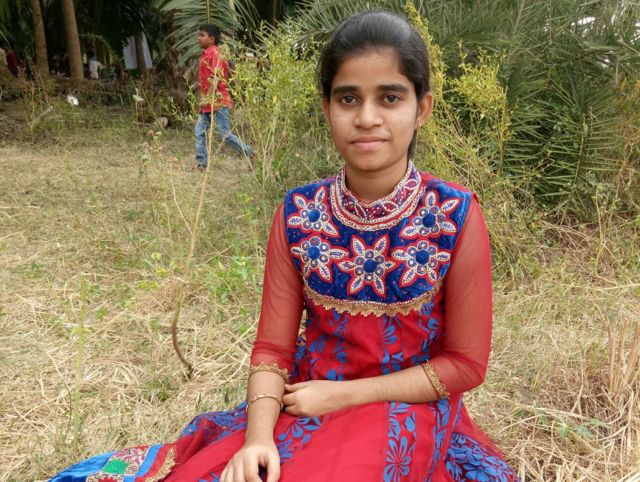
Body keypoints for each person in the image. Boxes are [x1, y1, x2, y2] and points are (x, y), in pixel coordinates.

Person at [50, 10, 519, 482]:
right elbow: (273, 349)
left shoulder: (454, 214)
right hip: (301, 401)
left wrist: (343, 396)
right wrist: (257, 438)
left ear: (422, 109)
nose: (366, 117)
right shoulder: (300, 212)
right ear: (327, 109)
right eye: (348, 98)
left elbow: (465, 365)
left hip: (408, 407)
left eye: (390, 98)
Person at [195, 24, 255, 172]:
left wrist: (207, 98)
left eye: (202, 35)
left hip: (219, 101)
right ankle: (202, 164)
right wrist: (203, 101)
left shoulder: (216, 54)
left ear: (211, 39)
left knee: (224, 135)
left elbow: (215, 79)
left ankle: (250, 153)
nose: (198, 38)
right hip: (207, 102)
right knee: (200, 131)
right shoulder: (205, 55)